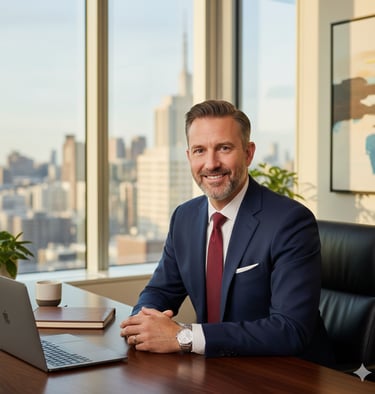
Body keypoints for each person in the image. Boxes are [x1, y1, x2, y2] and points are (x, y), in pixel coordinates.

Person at [120, 99, 334, 366]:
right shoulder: (184, 218)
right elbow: (160, 291)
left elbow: (290, 330)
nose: (211, 164)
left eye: (224, 148)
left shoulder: (290, 222)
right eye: (199, 150)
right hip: (216, 368)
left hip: (287, 373)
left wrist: (184, 337)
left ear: (248, 153)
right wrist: (143, 322)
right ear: (189, 157)